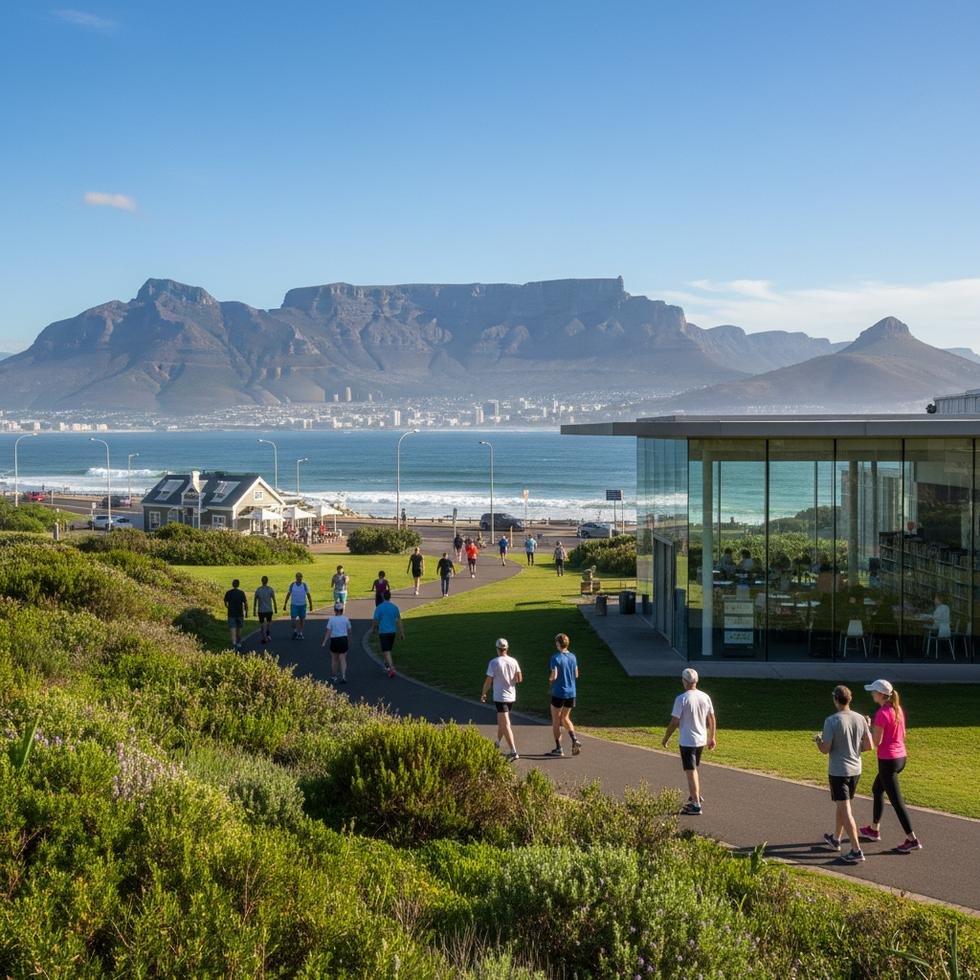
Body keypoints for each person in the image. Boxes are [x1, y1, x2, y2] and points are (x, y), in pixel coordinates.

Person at [859, 679, 922, 853]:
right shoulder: (897, 709)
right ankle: (874, 829)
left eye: (873, 691)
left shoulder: (881, 713)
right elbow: (903, 733)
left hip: (888, 761)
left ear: (881, 695)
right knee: (877, 789)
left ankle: (912, 839)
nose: (871, 694)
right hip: (901, 758)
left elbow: (876, 742)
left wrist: (866, 729)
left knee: (897, 802)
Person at [814, 684, 873, 864]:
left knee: (846, 810)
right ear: (850, 699)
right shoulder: (860, 719)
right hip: (856, 770)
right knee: (842, 805)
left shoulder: (831, 720)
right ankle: (836, 839)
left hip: (839, 771)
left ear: (835, 699)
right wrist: (854, 747)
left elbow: (825, 749)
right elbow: (869, 746)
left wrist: (818, 740)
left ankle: (856, 850)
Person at [661, 667, 716, 815]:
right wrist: (712, 737)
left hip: (687, 740)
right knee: (693, 769)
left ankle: (696, 804)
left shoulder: (682, 698)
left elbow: (674, 721)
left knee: (690, 771)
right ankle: (694, 795)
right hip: (700, 739)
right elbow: (711, 718)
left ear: (684, 681)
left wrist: (666, 737)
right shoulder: (705, 697)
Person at [480, 637, 522, 761]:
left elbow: (488, 681)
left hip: (500, 697)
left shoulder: (494, 662)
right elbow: (519, 678)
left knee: (506, 724)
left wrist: (483, 693)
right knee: (502, 722)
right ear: (507, 648)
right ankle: (497, 743)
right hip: (511, 696)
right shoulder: (514, 661)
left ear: (497, 649)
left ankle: (513, 751)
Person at [547, 633, 582, 757]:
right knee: (565, 718)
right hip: (571, 692)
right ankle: (574, 739)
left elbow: (554, 675)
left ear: (558, 644)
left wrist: (550, 680)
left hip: (558, 692)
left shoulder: (555, 658)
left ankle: (558, 748)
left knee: (556, 719)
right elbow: (576, 674)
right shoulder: (573, 657)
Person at [371, 590, 404, 678]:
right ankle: (386, 666)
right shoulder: (394, 607)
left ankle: (391, 667)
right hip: (393, 631)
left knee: (386, 650)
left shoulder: (379, 607)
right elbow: (399, 620)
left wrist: (373, 629)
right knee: (388, 649)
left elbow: (375, 620)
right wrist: (402, 632)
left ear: (382, 597)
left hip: (383, 631)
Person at [321, 601, 353, 684]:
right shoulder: (346, 619)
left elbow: (328, 631)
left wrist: (324, 642)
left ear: (335, 610)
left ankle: (334, 676)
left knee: (334, 660)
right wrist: (349, 640)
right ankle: (343, 676)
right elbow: (349, 631)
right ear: (342, 610)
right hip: (343, 639)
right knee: (343, 659)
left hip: (334, 640)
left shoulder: (331, 619)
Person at [285, 571, 313, 640]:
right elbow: (288, 594)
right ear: (296, 577)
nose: (299, 578)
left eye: (300, 577)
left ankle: (300, 633)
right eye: (297, 577)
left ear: (302, 577)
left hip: (302, 605)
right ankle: (295, 631)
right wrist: (285, 604)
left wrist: (311, 604)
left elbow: (308, 595)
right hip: (294, 605)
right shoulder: (292, 585)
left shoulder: (304, 585)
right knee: (293, 621)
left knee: (302, 620)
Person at [223, 578, 248, 651]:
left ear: (232, 584)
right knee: (239, 630)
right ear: (238, 584)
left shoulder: (228, 592)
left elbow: (225, 602)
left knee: (232, 629)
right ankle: (239, 643)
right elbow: (245, 603)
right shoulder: (241, 593)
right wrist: (246, 612)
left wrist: (227, 607)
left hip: (231, 613)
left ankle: (234, 644)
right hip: (240, 613)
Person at [252, 575, 278, 644]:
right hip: (269, 610)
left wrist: (254, 610)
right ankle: (266, 636)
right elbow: (274, 599)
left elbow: (255, 600)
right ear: (267, 581)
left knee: (262, 624)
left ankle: (264, 636)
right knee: (268, 623)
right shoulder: (270, 589)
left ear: (261, 581)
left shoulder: (258, 590)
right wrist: (275, 608)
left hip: (261, 610)